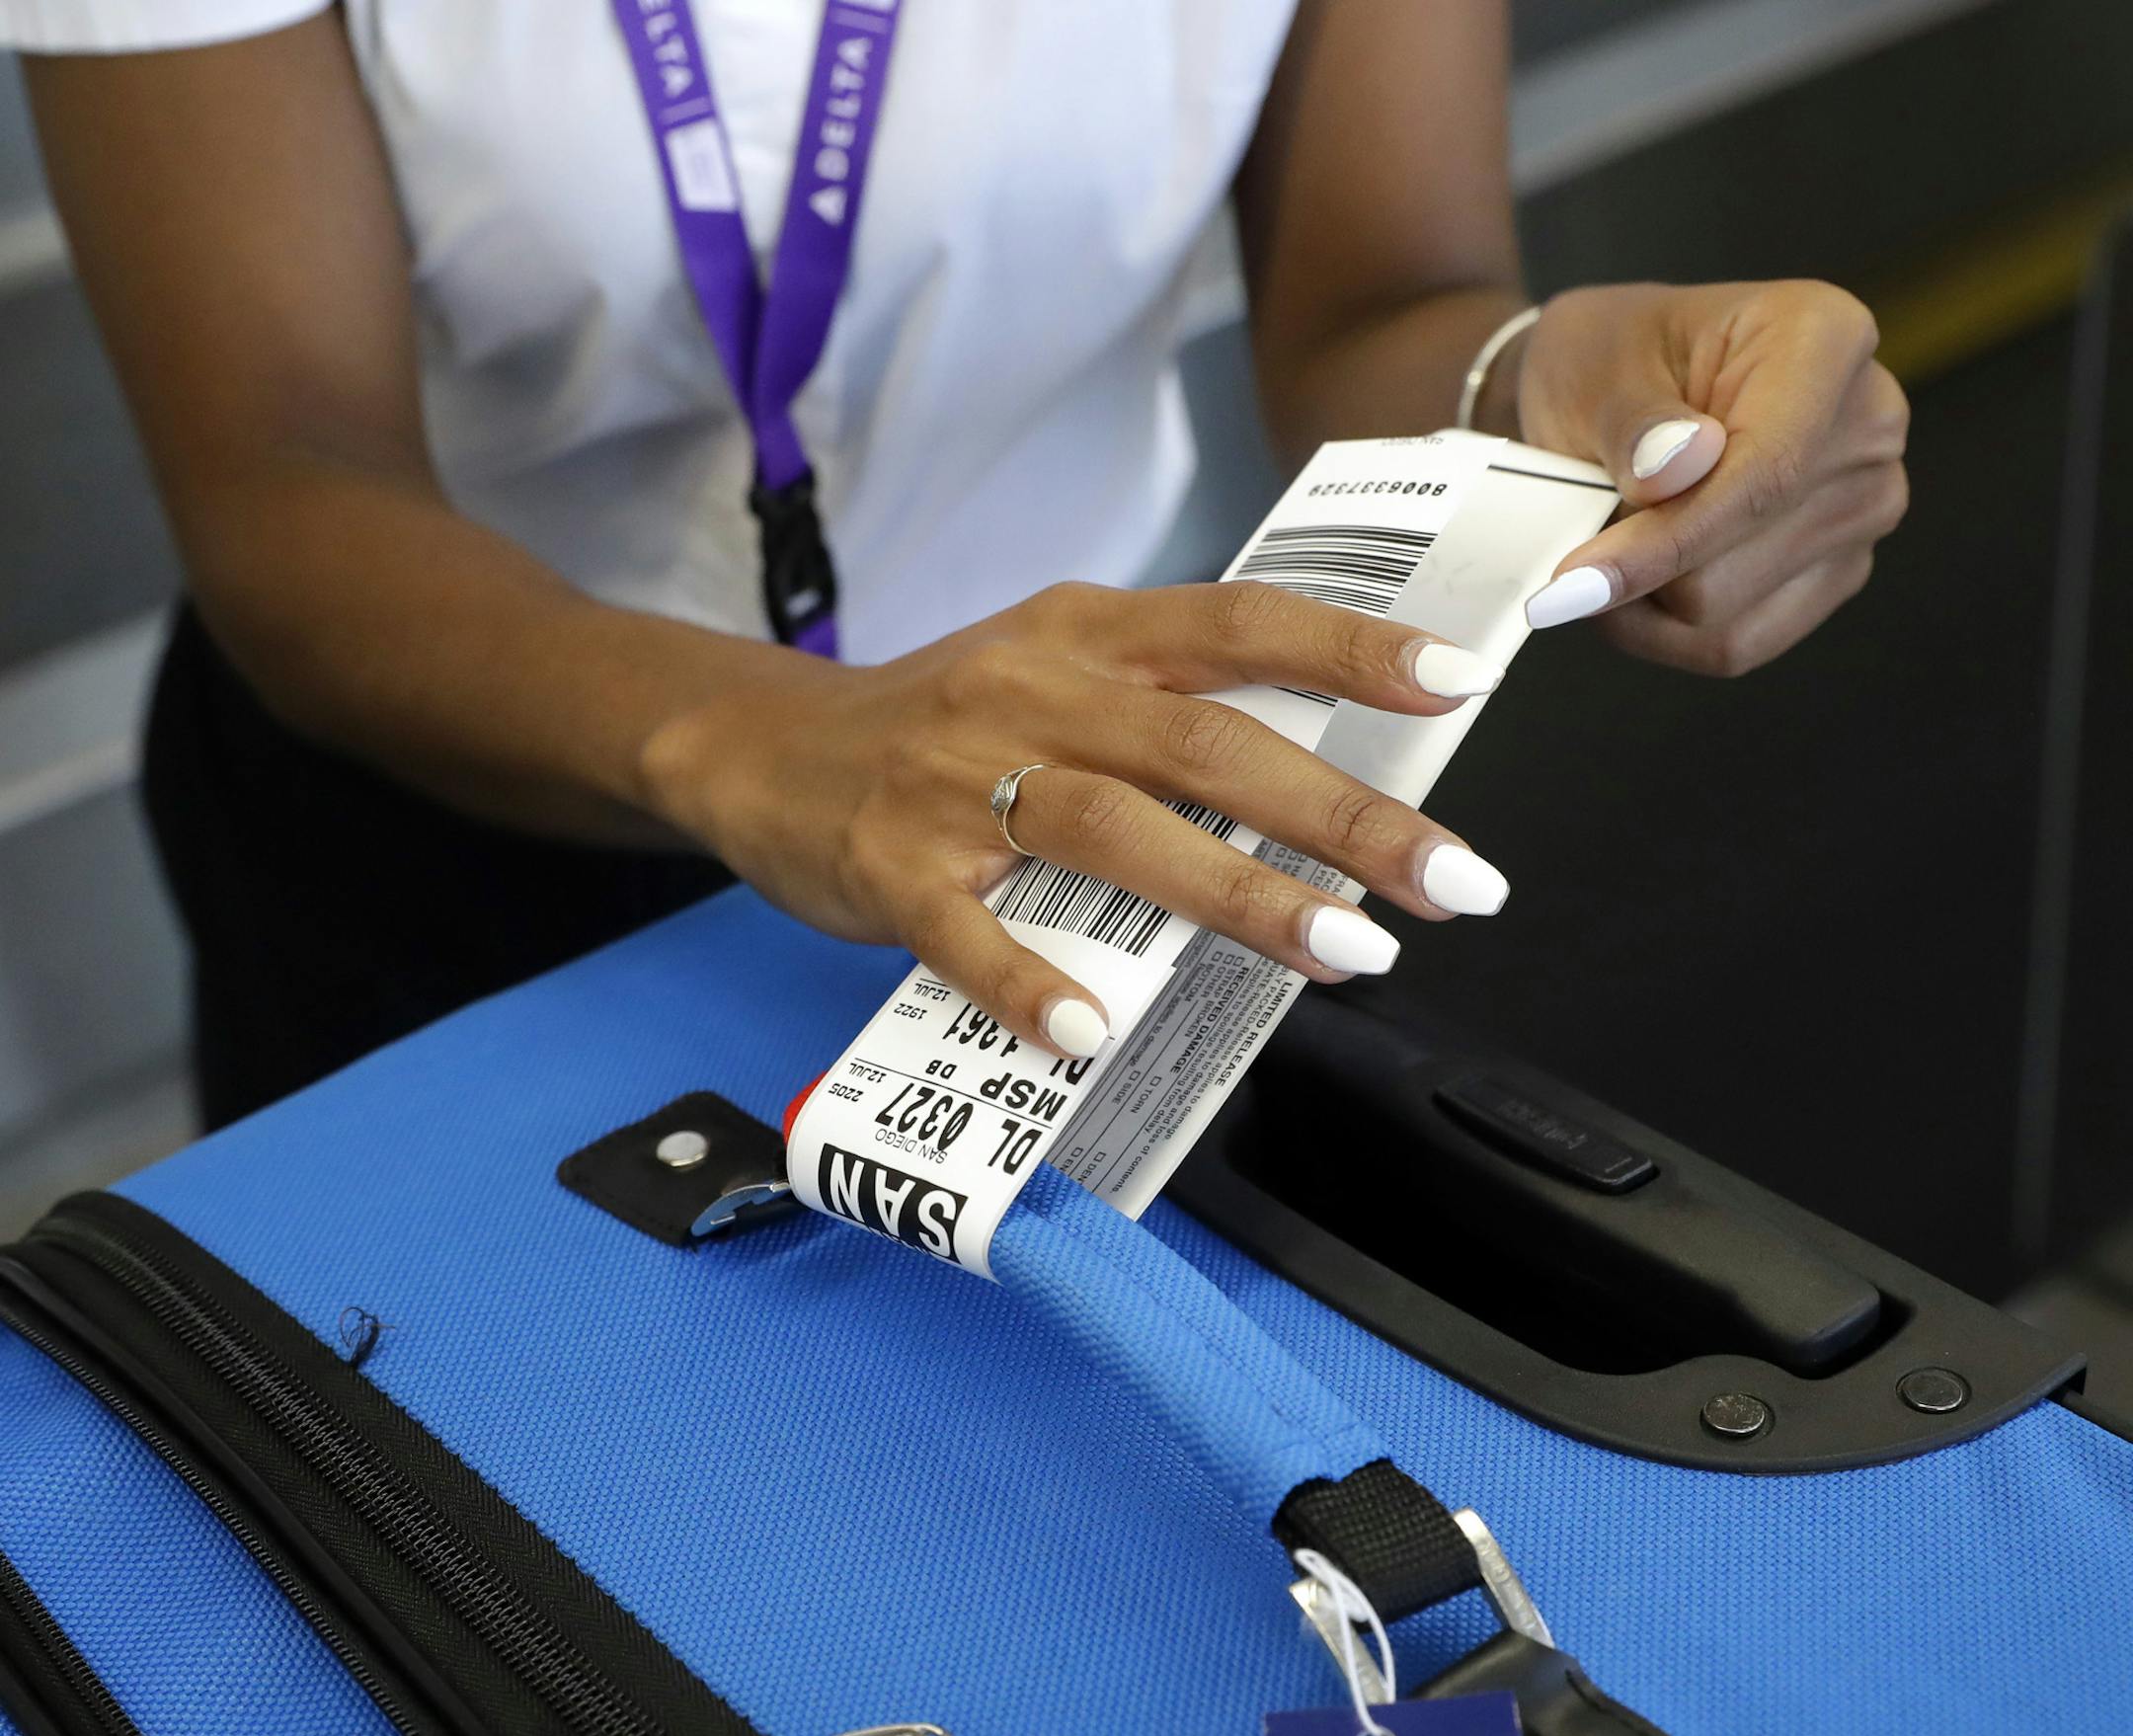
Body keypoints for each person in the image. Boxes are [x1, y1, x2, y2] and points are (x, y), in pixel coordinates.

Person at [6, 0, 1908, 1129]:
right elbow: (287, 485)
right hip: (454, 827)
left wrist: (1538, 399)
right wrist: (778, 745)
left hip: (1102, 808)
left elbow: (1381, 295)